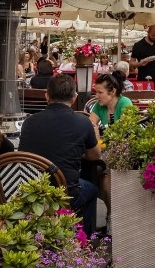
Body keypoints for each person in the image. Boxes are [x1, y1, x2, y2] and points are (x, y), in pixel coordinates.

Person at [19, 74, 101, 235]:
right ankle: (85, 239)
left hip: (33, 191)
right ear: (74, 97)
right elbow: (94, 156)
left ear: (47, 96)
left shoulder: (30, 122)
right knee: (92, 190)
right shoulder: (82, 122)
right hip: (66, 193)